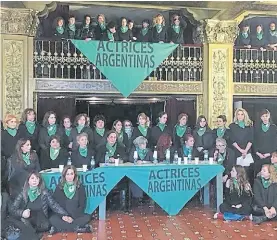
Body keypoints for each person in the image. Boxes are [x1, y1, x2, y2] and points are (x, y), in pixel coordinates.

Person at [49, 166, 91, 233]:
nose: (69, 176)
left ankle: (59, 228)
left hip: (75, 215)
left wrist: (73, 217)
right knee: (52, 219)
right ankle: (76, 228)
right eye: (67, 174)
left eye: (71, 174)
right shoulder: (59, 187)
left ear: (75, 175)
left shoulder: (80, 187)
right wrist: (63, 216)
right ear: (64, 175)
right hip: (63, 215)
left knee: (87, 217)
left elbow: (83, 205)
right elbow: (56, 205)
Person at [229, 108, 254, 181]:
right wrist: (241, 150)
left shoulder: (249, 126)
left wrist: (245, 151)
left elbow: (251, 139)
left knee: (247, 173)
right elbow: (232, 140)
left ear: (245, 115)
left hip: (247, 152)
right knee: (237, 172)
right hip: (236, 152)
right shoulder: (232, 126)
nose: (240, 116)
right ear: (236, 116)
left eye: (242, 114)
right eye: (238, 114)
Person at [253, 109, 277, 175]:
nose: (265, 118)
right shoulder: (256, 127)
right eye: (263, 116)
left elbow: (275, 142)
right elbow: (254, 140)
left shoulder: (273, 128)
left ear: (269, 116)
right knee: (258, 174)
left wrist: (270, 154)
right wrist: (257, 153)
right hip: (258, 156)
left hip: (269, 156)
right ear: (261, 117)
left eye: (266, 116)